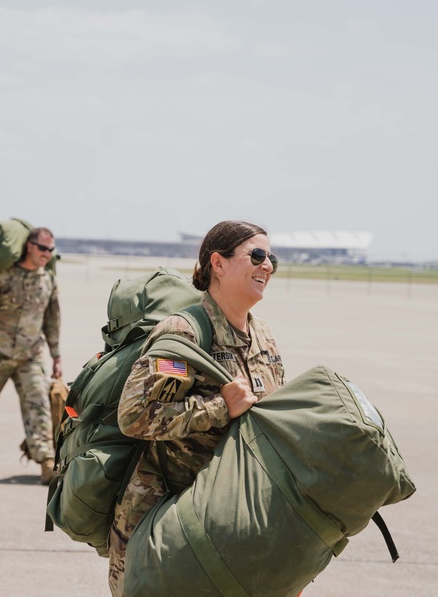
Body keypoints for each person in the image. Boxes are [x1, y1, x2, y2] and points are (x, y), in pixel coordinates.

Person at [107, 220, 287, 596]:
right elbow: (135, 415)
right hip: (167, 525)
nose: (267, 265)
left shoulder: (264, 335)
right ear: (217, 264)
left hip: (231, 522)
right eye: (256, 255)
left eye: (271, 257)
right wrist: (222, 407)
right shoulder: (184, 332)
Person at [0, 227, 62, 484]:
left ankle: (46, 461)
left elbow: (52, 319)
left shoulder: (47, 279)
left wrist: (56, 355)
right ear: (29, 246)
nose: (47, 254)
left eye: (51, 249)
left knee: (38, 405)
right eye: (42, 248)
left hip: (29, 354)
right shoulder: (3, 275)